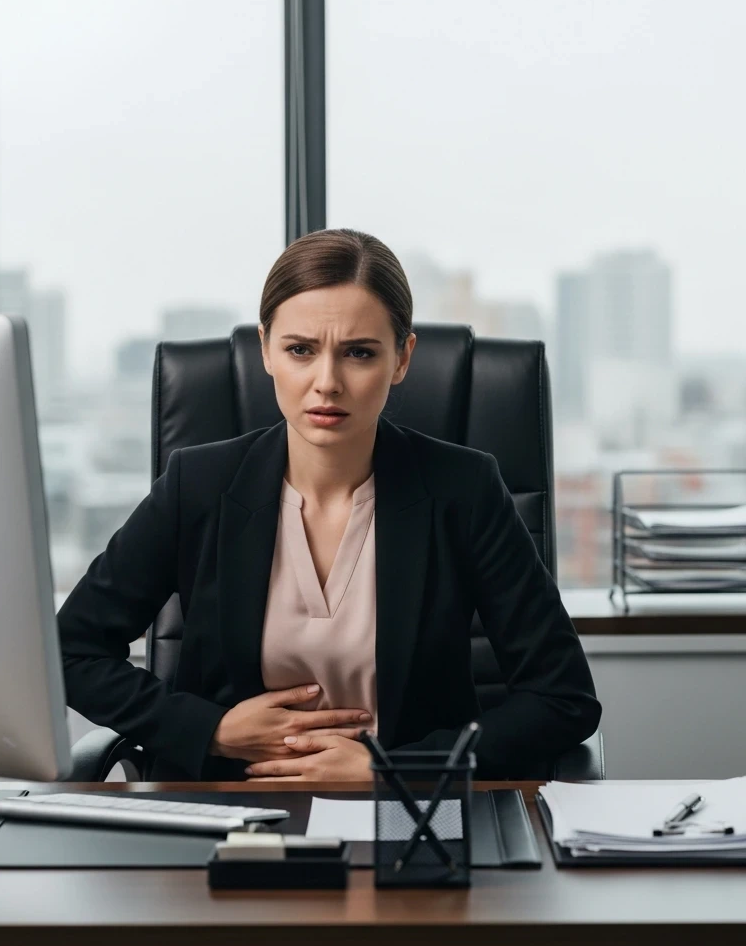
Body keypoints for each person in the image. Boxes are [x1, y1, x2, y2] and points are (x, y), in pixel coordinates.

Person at [58, 228, 600, 781]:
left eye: (359, 353)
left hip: (408, 818)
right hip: (228, 812)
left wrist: (391, 767)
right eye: (300, 350)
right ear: (266, 349)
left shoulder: (464, 489)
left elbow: (563, 698)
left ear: (401, 358)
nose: (327, 383)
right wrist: (212, 729)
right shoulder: (197, 485)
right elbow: (71, 650)